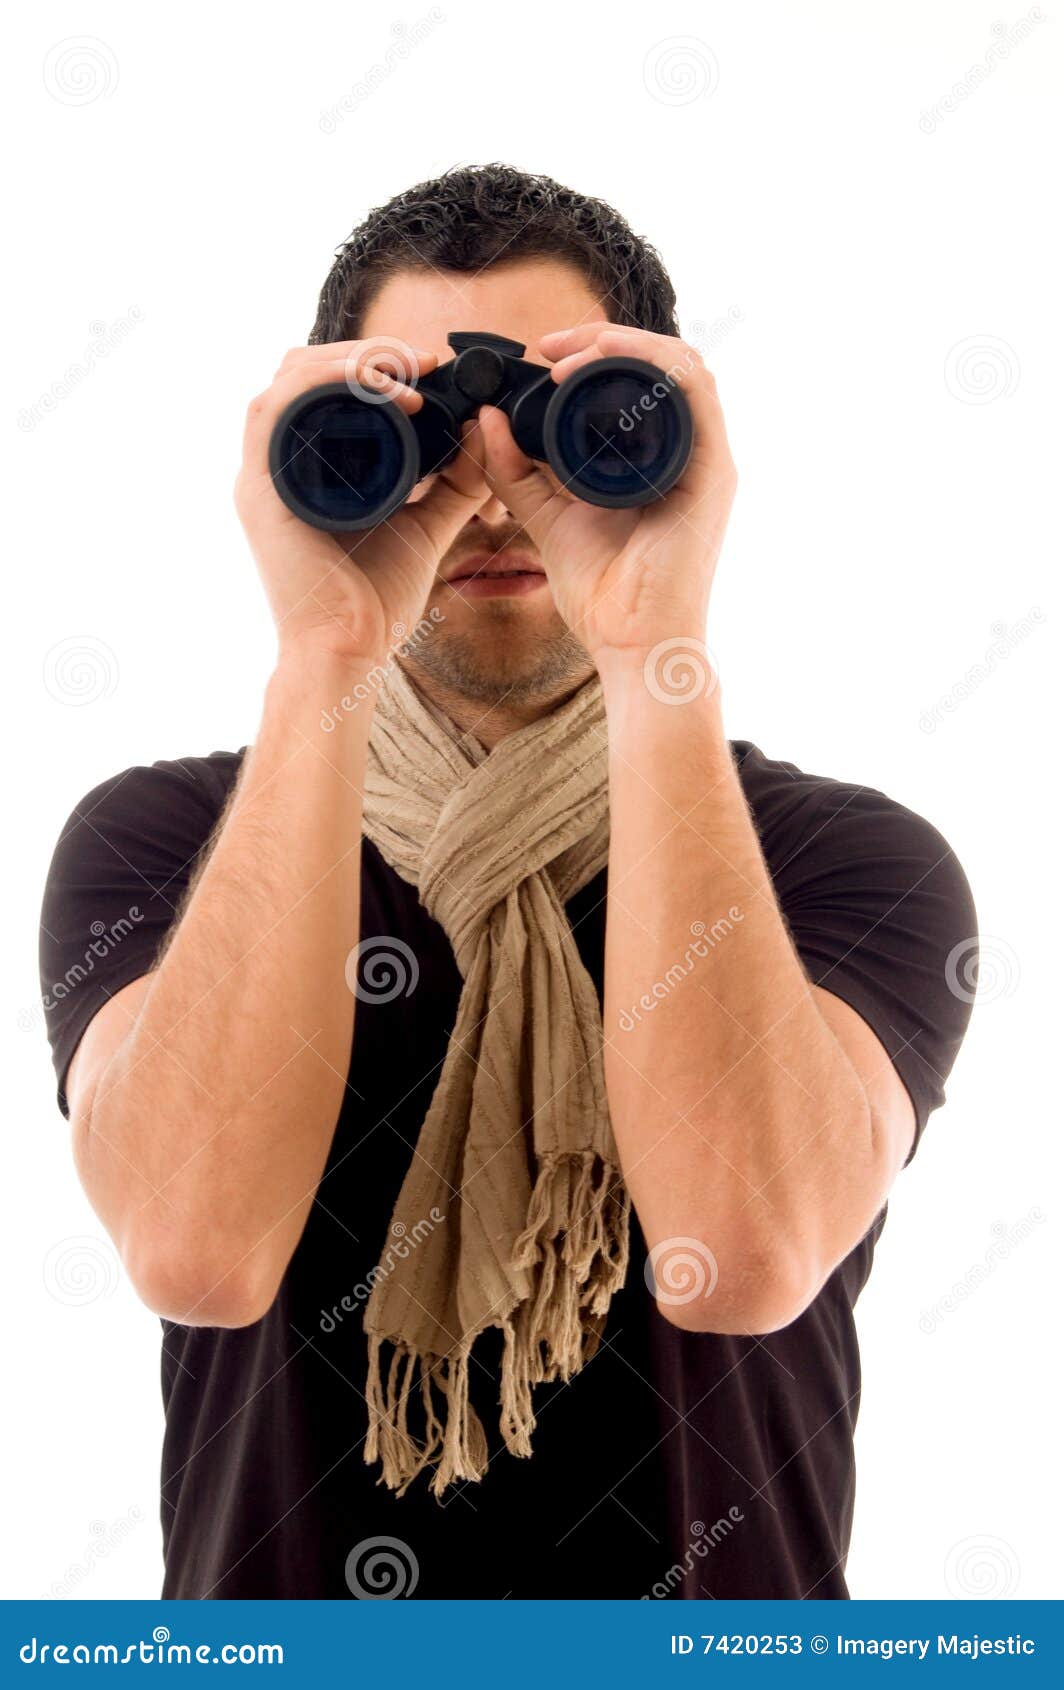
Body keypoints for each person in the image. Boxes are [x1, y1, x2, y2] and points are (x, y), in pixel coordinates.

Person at [39, 163, 976, 1600]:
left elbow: (740, 1251)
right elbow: (196, 1248)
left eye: (554, 418)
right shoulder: (164, 842)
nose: (487, 493)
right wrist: (324, 655)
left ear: (662, 437)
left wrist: (653, 629)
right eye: (420, 427)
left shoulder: (850, 865)